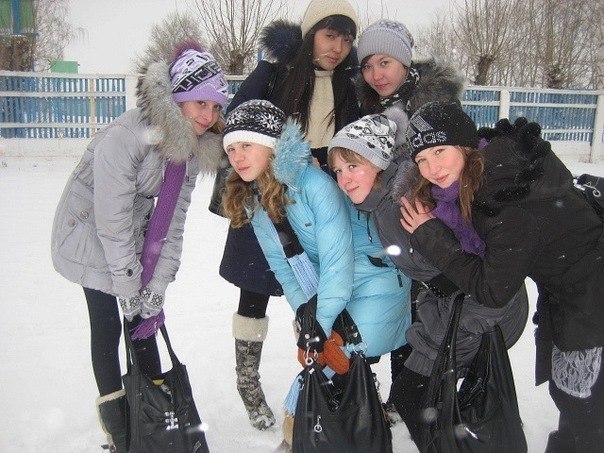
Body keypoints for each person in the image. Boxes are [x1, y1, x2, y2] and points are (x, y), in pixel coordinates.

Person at [50, 41, 227, 452]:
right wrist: (129, 287)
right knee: (109, 324)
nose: (208, 116)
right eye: (200, 103)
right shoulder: (127, 136)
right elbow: (110, 221)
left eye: (216, 107)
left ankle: (155, 418)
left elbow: (173, 225)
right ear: (178, 97)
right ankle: (120, 431)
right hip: (88, 230)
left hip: (131, 233)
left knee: (145, 321)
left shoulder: (190, 150)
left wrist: (156, 287)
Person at [400, 101, 604, 452]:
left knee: (585, 409)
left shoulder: (504, 197)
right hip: (573, 288)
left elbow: (493, 290)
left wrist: (433, 238)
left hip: (590, 296)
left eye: (439, 151)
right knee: (577, 403)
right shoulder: (492, 173)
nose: (431, 168)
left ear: (464, 144)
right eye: (421, 159)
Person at [328, 112, 529, 448]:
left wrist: (457, 321)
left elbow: (472, 262)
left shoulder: (402, 203)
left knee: (413, 396)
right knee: (436, 402)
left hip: (483, 309)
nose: (344, 179)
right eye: (338, 171)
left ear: (378, 162)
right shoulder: (386, 200)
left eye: (353, 166)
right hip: (465, 306)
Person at [208, 0, 360, 430]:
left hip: (318, 198)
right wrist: (244, 184)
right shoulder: (274, 74)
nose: (337, 47)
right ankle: (248, 381)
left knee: (317, 290)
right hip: (265, 193)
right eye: (329, 35)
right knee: (255, 289)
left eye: (346, 39)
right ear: (311, 34)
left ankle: (317, 376)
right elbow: (235, 127)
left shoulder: (350, 85)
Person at [221, 100, 412, 442]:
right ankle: (327, 434)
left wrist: (318, 327)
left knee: (329, 361)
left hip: (376, 280)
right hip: (332, 288)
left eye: (246, 145)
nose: (238, 157)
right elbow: (283, 267)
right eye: (231, 149)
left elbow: (338, 261)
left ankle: (326, 434)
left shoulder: (313, 185)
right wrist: (306, 314)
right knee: (323, 363)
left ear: (271, 145)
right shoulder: (254, 199)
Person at [355, 19, 467, 406]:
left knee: (429, 311)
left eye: (385, 63)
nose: (376, 75)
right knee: (402, 307)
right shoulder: (370, 107)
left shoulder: (435, 106)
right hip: (392, 227)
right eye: (368, 66)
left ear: (404, 61)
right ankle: (403, 395)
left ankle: (420, 394)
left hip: (432, 225)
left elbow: (454, 168)